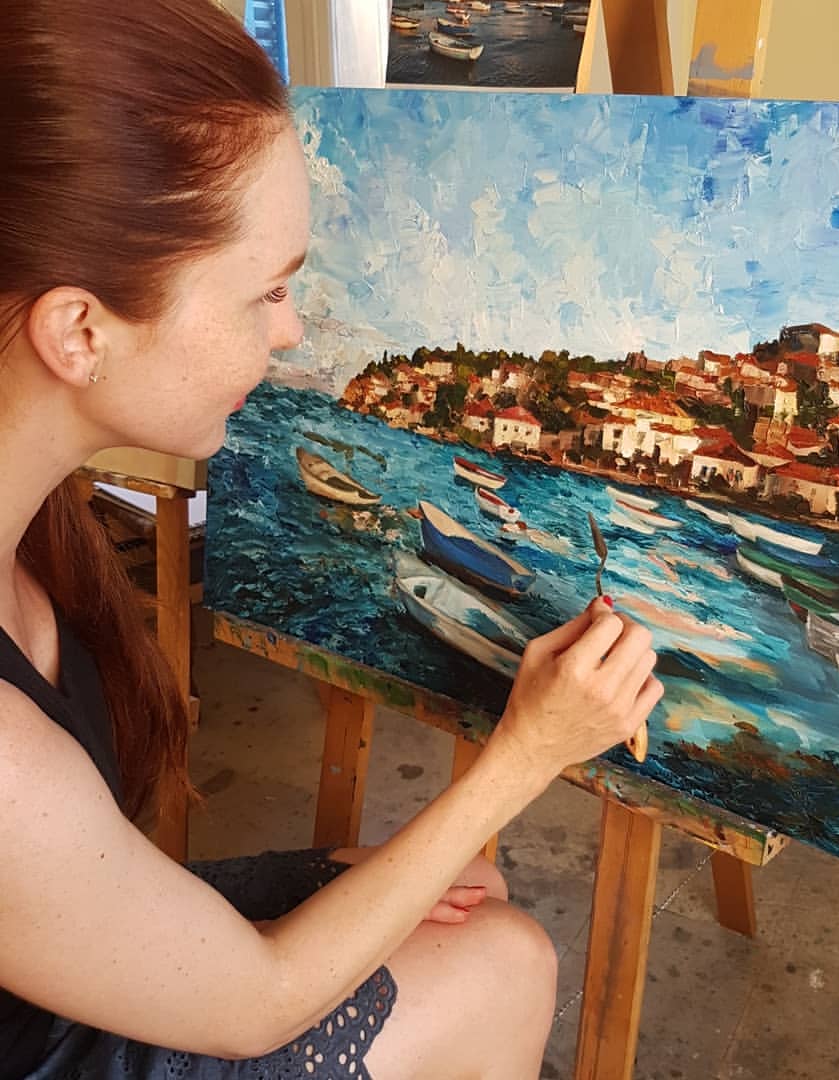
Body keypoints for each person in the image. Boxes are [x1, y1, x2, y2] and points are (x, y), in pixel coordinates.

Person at [0, 2, 663, 1078]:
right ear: (81, 331)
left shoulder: (30, 521)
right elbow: (252, 1006)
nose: (292, 328)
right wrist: (528, 754)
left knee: (466, 900)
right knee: (502, 960)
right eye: (266, 289)